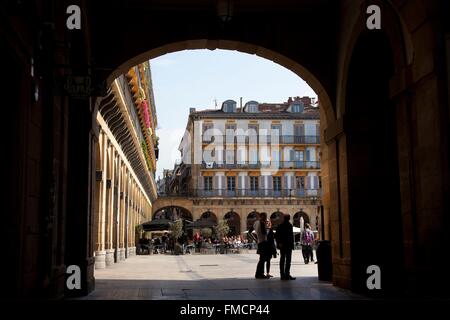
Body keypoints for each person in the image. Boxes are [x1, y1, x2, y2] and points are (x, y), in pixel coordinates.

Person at [275, 214, 296, 280]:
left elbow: (276, 235)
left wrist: (279, 243)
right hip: (286, 245)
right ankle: (286, 274)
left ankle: (284, 275)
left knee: (283, 260)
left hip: (285, 245)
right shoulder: (287, 225)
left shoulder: (283, 225)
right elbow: (291, 236)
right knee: (287, 260)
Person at [253, 212, 269, 279]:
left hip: (259, 242)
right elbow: (264, 233)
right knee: (263, 259)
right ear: (262, 216)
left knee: (261, 259)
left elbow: (250, 232)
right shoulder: (262, 223)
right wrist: (267, 227)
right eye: (265, 216)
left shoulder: (255, 223)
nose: (266, 218)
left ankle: (258, 274)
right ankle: (260, 274)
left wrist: (256, 238)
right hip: (263, 242)